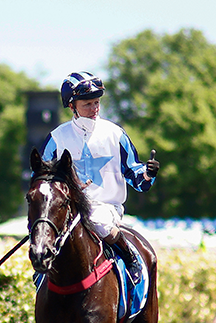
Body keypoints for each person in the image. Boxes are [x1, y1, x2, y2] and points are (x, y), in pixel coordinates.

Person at [41, 71, 160, 284]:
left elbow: (135, 176)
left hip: (106, 207)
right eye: (87, 104)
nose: (94, 109)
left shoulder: (116, 134)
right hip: (68, 209)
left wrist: (148, 173)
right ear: (72, 106)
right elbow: (40, 179)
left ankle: (129, 256)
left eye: (97, 103)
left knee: (96, 218)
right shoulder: (56, 138)